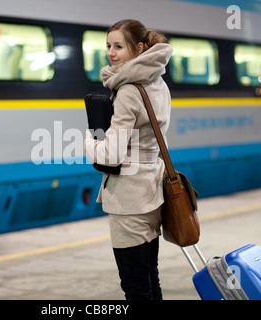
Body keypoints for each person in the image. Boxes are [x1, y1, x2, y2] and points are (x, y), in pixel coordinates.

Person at [84, 19, 173, 300]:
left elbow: (111, 154)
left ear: (139, 48)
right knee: (150, 277)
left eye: (119, 46)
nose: (111, 52)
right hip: (153, 190)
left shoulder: (128, 91)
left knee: (135, 287)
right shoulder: (158, 83)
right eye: (108, 46)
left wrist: (87, 142)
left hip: (129, 199)